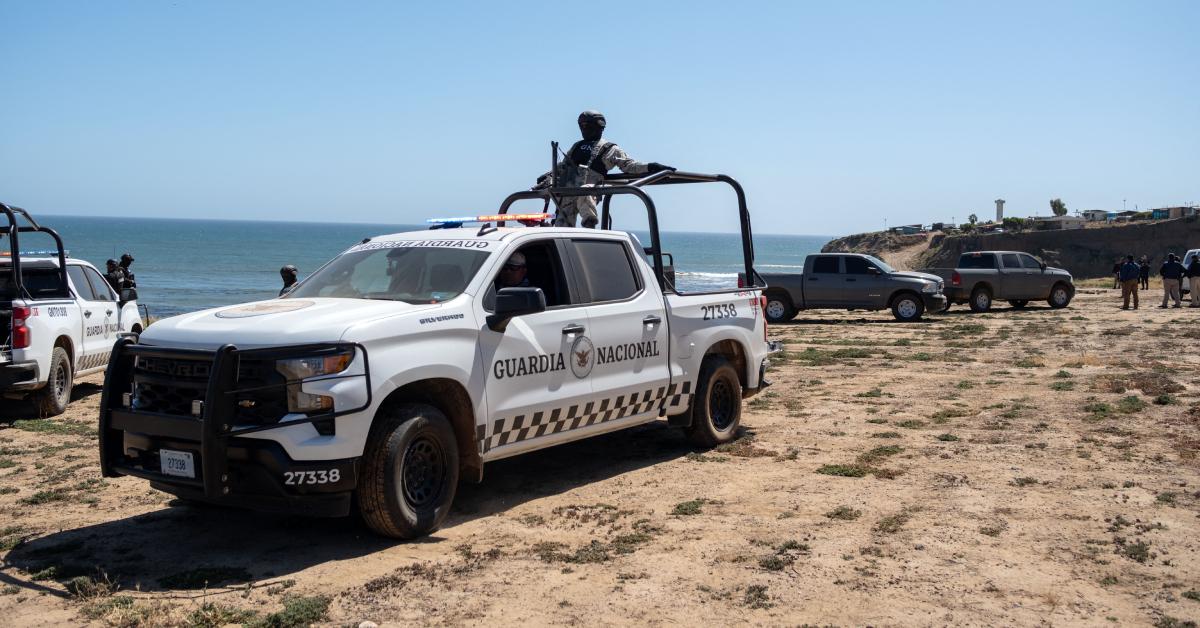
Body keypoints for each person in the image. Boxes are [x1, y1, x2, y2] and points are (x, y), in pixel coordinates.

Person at [536, 111, 673, 228]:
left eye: (587, 126)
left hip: (590, 188)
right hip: (567, 190)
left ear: (599, 127)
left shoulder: (610, 148)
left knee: (586, 193)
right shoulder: (576, 146)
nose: (584, 129)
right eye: (582, 126)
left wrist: (651, 166)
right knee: (562, 228)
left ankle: (589, 228)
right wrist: (548, 176)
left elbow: (629, 166)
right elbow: (562, 167)